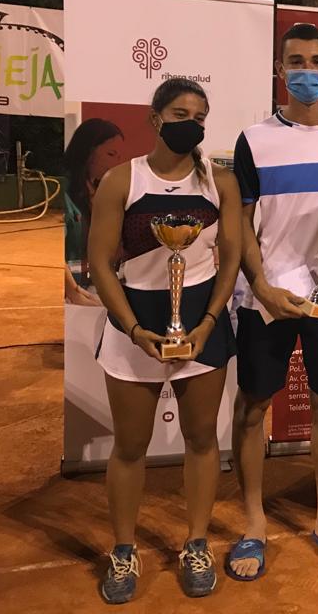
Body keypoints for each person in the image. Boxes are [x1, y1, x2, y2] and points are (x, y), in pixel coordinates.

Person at [87, 79, 242, 603]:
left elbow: (231, 259)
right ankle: (124, 549)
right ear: (155, 119)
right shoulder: (121, 180)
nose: (191, 124)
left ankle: (196, 543)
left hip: (201, 326)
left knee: (202, 439)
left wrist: (210, 321)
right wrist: (132, 329)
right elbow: (100, 265)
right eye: (180, 114)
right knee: (131, 447)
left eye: (199, 116)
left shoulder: (220, 182)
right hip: (135, 326)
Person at [229, 22, 318, 579]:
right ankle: (253, 523)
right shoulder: (253, 139)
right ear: (280, 70)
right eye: (296, 61)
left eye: (316, 61)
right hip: (267, 296)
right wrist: (261, 285)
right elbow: (241, 222)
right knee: (253, 407)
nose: (307, 71)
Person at [62, 118, 125, 306]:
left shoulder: (101, 192)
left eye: (119, 157)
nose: (117, 163)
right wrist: (73, 291)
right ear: (88, 152)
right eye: (111, 154)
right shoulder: (62, 191)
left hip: (88, 288)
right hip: (67, 295)